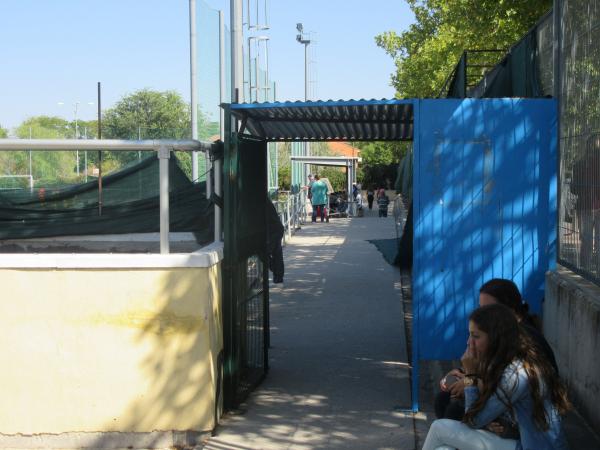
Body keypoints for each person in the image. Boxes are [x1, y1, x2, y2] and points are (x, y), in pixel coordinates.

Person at [423, 303, 570, 450]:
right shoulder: (504, 360)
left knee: (439, 428)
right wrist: (488, 422)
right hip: (517, 441)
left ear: (495, 339)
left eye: (476, 336)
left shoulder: (515, 374)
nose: (469, 342)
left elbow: (472, 420)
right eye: (469, 335)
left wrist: (470, 376)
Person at [436, 279, 558, 424]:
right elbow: (486, 366)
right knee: (445, 399)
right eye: (480, 308)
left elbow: (506, 383)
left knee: (454, 412)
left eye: (489, 309)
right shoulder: (500, 332)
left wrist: (470, 380)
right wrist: (459, 372)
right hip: (500, 397)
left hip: (521, 417)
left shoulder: (524, 339)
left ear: (509, 311)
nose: (483, 314)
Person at [571, 138, 600, 272]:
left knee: (586, 239)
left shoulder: (579, 164)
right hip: (592, 206)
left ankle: (585, 268)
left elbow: (573, 189)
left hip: (584, 206)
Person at [266, 198, 284, 284]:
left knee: (264, 252)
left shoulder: (260, 201)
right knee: (277, 254)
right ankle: (278, 276)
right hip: (277, 229)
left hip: (273, 231)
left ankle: (277, 272)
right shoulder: (265, 200)